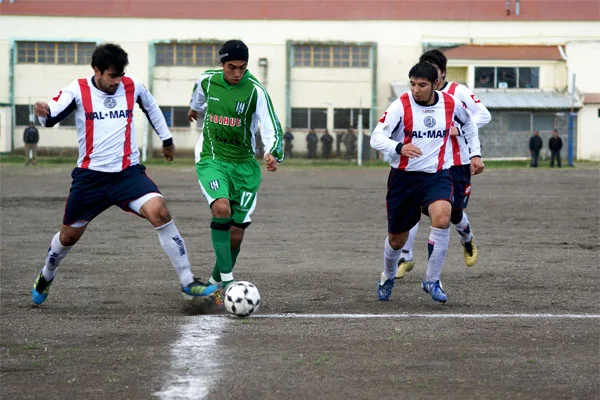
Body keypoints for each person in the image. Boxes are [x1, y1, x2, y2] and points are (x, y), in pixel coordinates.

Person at [30, 43, 218, 306]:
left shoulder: (133, 86)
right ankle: (47, 274)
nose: (117, 81)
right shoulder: (78, 89)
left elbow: (152, 108)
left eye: (120, 75)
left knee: (160, 211)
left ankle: (188, 281)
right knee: (68, 237)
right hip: (90, 179)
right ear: (96, 70)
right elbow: (52, 116)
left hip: (128, 175)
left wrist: (166, 139)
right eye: (111, 76)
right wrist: (43, 114)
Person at [370, 61, 483, 303]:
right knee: (396, 239)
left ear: (436, 84)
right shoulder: (401, 105)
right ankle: (388, 275)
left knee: (442, 217)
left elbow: (470, 125)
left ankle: (431, 280)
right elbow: (376, 137)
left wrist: (475, 154)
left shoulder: (451, 103)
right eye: (412, 84)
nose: (416, 90)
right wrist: (399, 147)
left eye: (422, 85)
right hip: (403, 179)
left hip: (437, 174)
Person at [187, 39, 283, 304]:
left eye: (242, 68)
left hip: (244, 166)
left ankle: (213, 283)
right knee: (221, 209)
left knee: (236, 233)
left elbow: (271, 125)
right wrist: (195, 108)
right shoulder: (208, 80)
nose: (237, 73)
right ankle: (229, 281)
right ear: (221, 64)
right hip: (212, 158)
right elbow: (198, 92)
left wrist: (273, 152)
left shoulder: (255, 91)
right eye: (231, 67)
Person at [394, 49, 491, 280]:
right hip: (424, 163)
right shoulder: (414, 98)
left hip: (456, 162)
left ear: (442, 74)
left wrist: (461, 135)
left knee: (454, 212)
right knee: (415, 207)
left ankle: (467, 238)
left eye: (433, 73)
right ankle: (405, 256)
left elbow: (483, 116)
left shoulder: (457, 92)